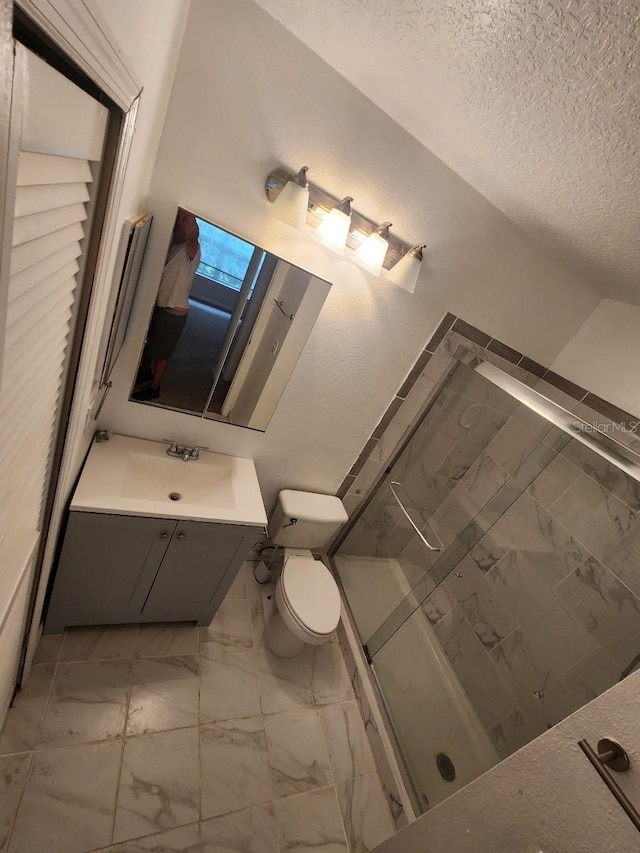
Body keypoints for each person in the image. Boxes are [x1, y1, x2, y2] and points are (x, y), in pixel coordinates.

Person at [133, 208, 201, 400]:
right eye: (178, 219)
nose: (180, 222)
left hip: (174, 311)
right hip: (161, 305)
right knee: (149, 345)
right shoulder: (172, 245)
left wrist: (187, 215)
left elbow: (193, 235)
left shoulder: (192, 249)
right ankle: (145, 372)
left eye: (184, 220)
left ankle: (155, 387)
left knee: (161, 353)